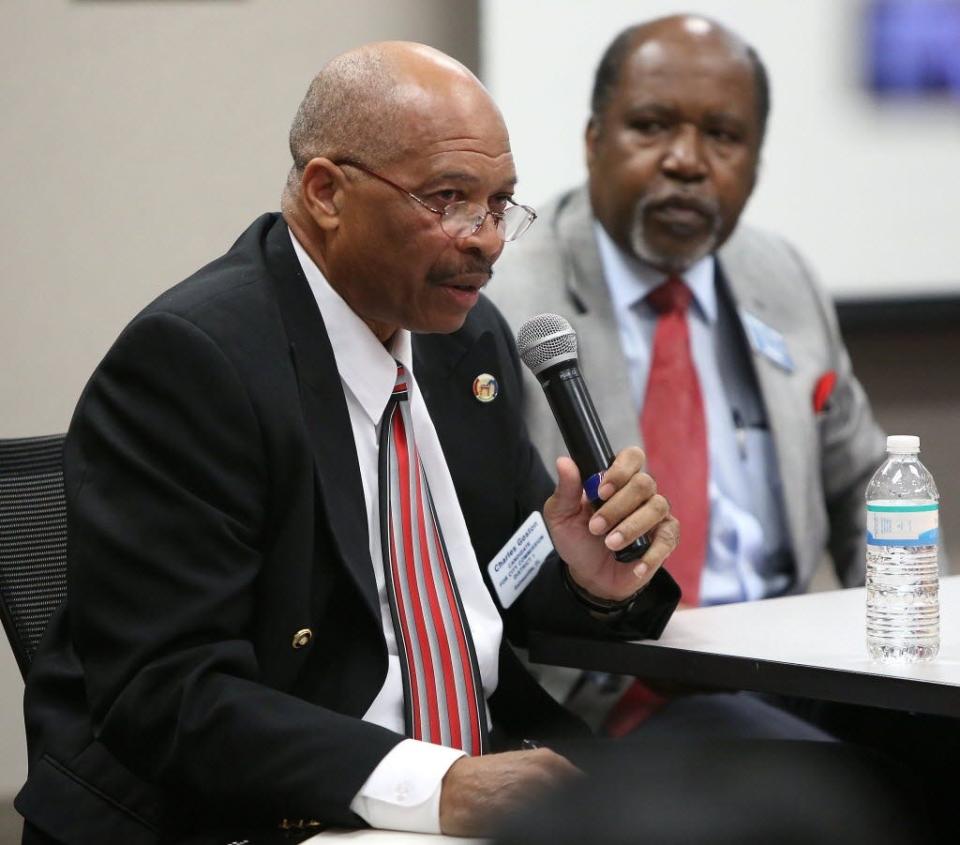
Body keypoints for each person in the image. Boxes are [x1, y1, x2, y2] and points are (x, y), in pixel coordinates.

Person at [15, 42, 683, 845]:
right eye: (449, 199)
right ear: (327, 191)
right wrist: (433, 783)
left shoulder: (465, 344)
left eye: (500, 204)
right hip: (268, 810)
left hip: (482, 780)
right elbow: (169, 689)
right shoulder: (194, 362)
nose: (488, 240)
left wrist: (588, 578)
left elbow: (502, 580)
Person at [488, 15, 886, 731]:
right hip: (608, 689)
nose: (687, 160)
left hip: (788, 667)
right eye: (650, 125)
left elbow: (868, 488)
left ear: (757, 162)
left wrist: (904, 647)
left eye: (724, 136)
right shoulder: (506, 298)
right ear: (592, 142)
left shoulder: (783, 275)